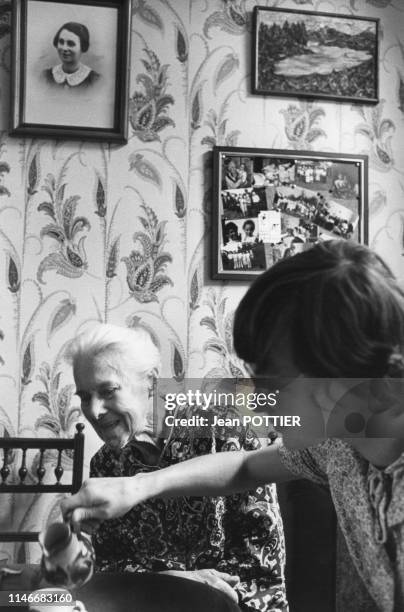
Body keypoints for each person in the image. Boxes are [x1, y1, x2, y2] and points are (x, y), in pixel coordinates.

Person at [62, 241, 404, 611]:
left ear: (336, 373)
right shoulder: (336, 442)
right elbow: (245, 466)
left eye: (270, 378)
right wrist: (135, 487)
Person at [62, 324, 288, 611]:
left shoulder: (225, 432)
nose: (93, 411)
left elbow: (262, 563)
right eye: (84, 396)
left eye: (108, 391)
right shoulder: (106, 464)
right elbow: (114, 563)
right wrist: (171, 580)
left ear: (151, 382)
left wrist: (190, 588)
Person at [43, 22, 100, 88]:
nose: (64, 48)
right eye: (61, 42)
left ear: (82, 47)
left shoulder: (95, 81)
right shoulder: (45, 77)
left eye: (71, 44)